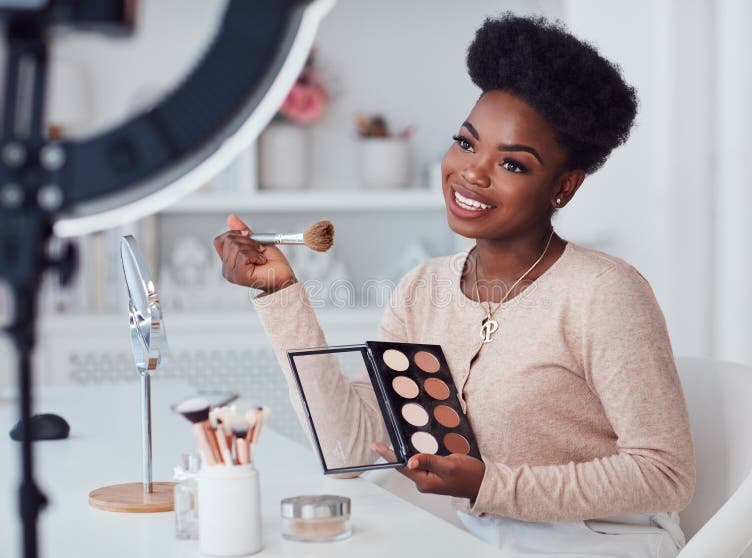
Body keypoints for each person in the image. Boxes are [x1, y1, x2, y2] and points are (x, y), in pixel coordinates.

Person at [214, 13, 695, 558]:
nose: (472, 172)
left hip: (595, 542)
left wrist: (488, 484)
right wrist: (280, 295)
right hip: (476, 533)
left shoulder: (605, 293)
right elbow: (348, 446)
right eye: (465, 144)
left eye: (512, 164)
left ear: (563, 186)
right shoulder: (424, 288)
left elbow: (666, 474)